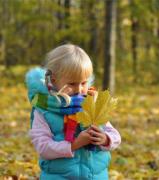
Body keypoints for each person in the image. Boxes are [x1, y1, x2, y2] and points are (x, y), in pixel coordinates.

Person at [25, 44, 121, 179]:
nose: (79, 89)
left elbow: (115, 136)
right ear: (54, 80)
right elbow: (43, 147)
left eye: (84, 83)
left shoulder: (91, 103)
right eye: (72, 84)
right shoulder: (43, 110)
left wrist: (105, 139)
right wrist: (75, 144)